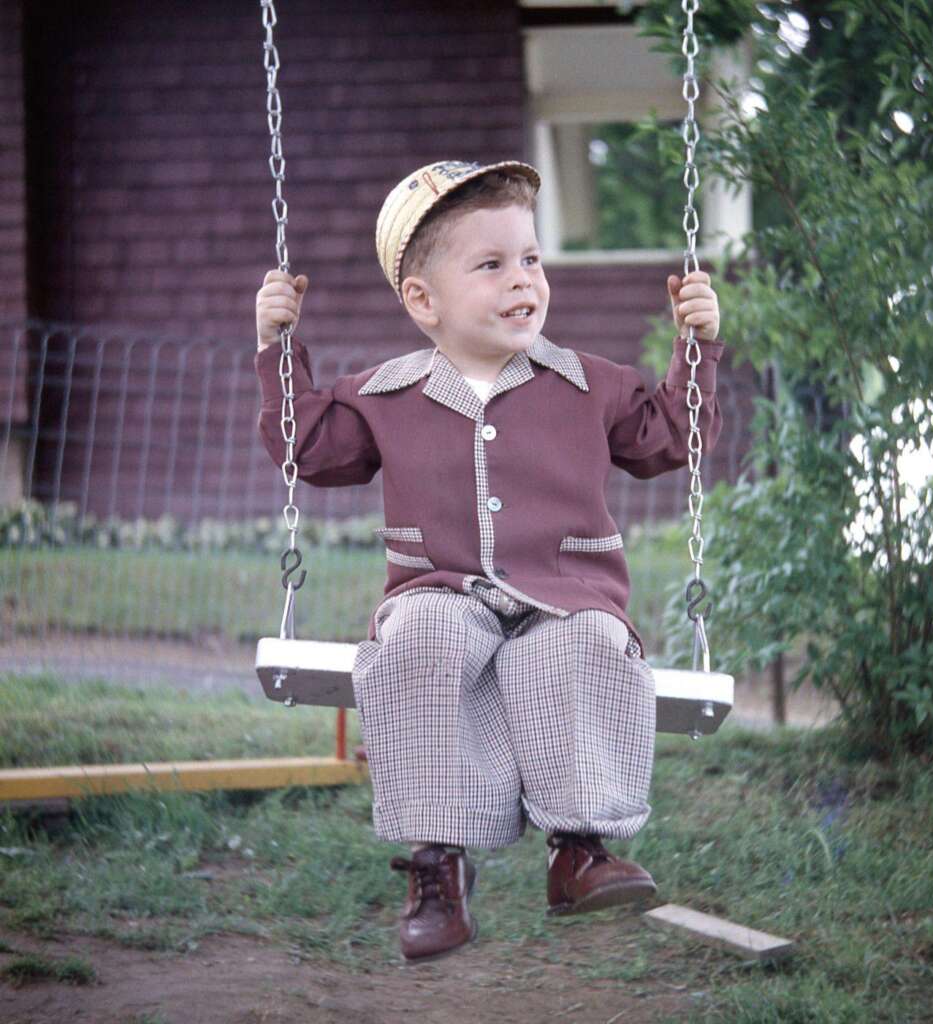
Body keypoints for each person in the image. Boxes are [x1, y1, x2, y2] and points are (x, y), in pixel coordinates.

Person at [254, 159, 725, 963]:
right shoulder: (385, 393)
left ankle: (580, 850)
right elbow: (306, 448)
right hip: (438, 590)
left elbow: (672, 439)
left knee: (582, 646)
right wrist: (277, 344)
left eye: (532, 259)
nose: (523, 281)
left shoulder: (589, 384)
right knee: (419, 643)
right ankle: (438, 866)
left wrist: (698, 344)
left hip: (564, 591)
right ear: (423, 300)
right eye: (492, 264)